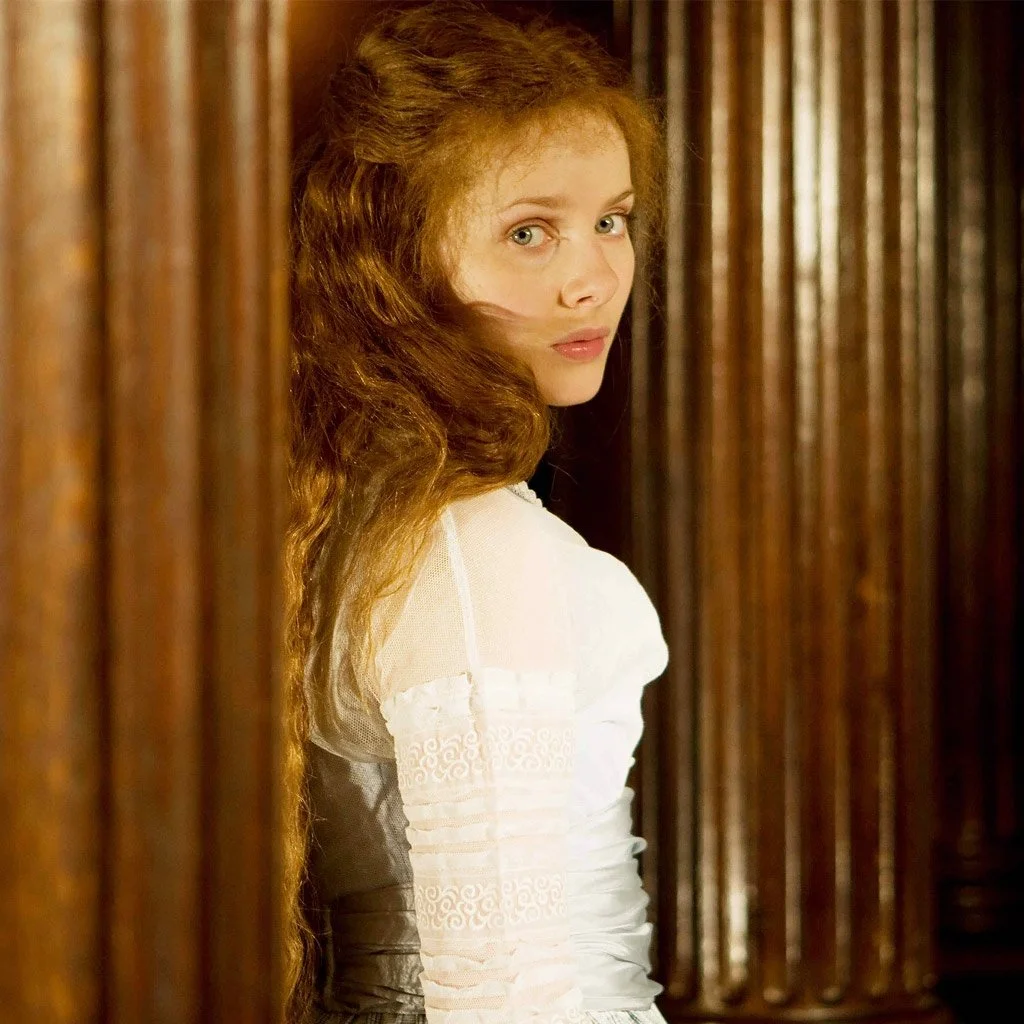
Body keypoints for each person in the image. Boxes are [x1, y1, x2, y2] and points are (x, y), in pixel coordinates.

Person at [284, 3, 668, 1023]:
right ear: (397, 265)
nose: (594, 280)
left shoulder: (361, 508)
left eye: (611, 220)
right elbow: (507, 995)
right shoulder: (474, 544)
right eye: (529, 233)